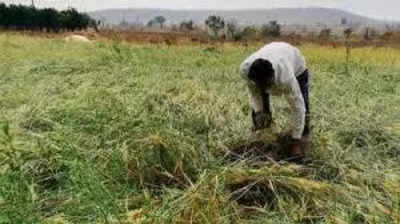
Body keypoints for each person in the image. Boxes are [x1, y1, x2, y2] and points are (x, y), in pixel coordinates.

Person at [240, 42, 311, 162]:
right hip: (272, 51)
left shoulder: (286, 77)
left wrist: (295, 142)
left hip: (297, 66)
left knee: (304, 105)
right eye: (260, 85)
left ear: (272, 77)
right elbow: (255, 94)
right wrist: (259, 112)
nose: (265, 89)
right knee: (261, 113)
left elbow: (298, 107)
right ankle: (262, 140)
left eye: (267, 85)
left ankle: (302, 141)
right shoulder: (245, 70)